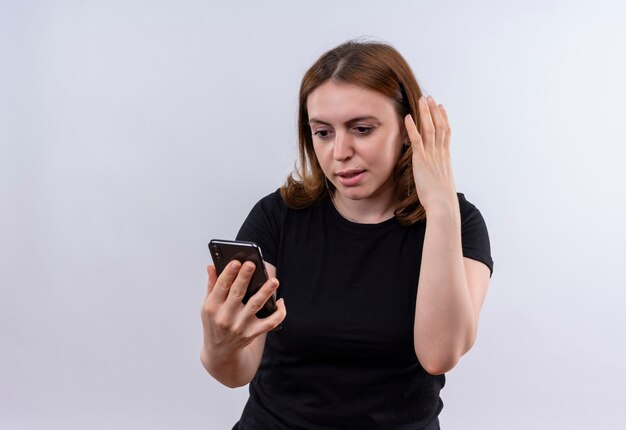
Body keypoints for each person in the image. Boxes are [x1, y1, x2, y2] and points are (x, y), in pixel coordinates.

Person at [201, 40, 493, 430]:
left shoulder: (459, 222)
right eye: (323, 132)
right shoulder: (276, 217)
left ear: (409, 130)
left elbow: (440, 354)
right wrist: (219, 343)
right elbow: (235, 373)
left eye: (362, 129)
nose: (340, 151)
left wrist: (440, 206)